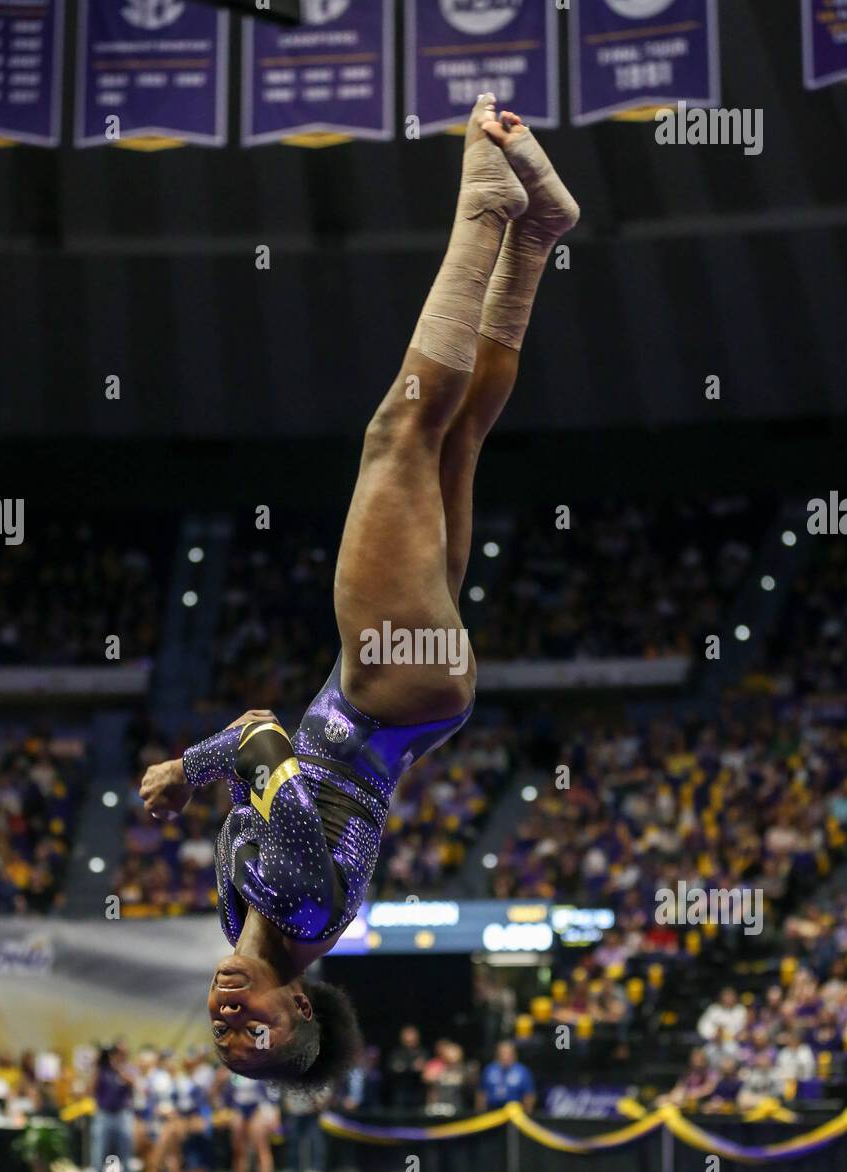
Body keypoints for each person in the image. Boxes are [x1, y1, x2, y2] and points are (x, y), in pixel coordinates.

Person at [138, 95, 579, 1094]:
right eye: (253, 1032)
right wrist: (184, 769)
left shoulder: (238, 916)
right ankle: (482, 198)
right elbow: (260, 737)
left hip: (405, 700)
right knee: (399, 433)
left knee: (455, 436)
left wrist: (207, 771)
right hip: (386, 680)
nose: (226, 1018)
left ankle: (536, 231)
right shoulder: (297, 905)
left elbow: (273, 752)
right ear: (297, 1004)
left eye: (221, 1038)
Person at [90, 1043, 137, 1172]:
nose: (116, 1057)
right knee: (99, 1153)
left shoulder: (127, 1068)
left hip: (122, 1115)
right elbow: (90, 1090)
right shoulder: (101, 1071)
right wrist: (97, 1066)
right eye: (113, 1054)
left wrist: (119, 1069)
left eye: (119, 1053)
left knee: (125, 1153)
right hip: (104, 1115)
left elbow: (134, 1084)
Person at [477, 1041, 536, 1114]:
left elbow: (529, 1095)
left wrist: (527, 1115)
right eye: (502, 1053)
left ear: (514, 1055)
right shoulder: (489, 1070)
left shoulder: (523, 1071)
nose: (505, 1056)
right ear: (497, 1054)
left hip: (515, 1114)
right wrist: (480, 1113)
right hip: (492, 1112)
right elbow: (481, 1093)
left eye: (508, 1053)